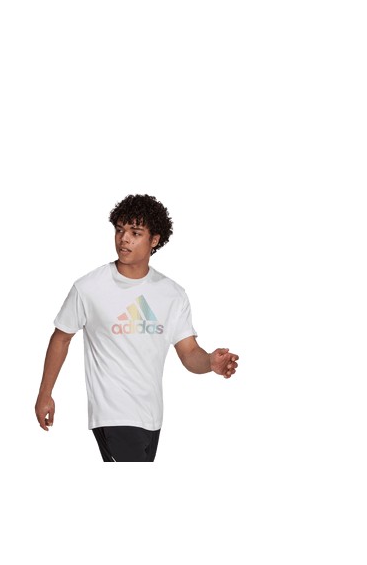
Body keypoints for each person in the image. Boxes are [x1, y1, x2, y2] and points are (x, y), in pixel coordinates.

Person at [35, 194, 239, 462]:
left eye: (135, 232)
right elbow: (61, 338)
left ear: (154, 240)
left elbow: (189, 352)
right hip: (112, 414)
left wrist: (210, 362)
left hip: (151, 417)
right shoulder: (89, 287)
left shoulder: (172, 294)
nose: (124, 239)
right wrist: (45, 393)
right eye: (120, 230)